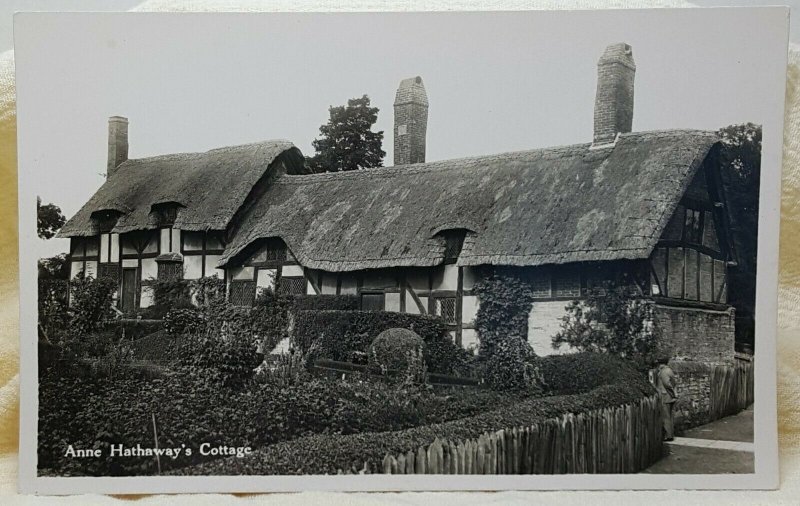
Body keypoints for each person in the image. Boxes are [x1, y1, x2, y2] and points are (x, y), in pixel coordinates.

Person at [655, 356, 678, 441]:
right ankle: (670, 434)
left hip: (666, 396)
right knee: (670, 416)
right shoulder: (670, 370)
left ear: (662, 364)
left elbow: (667, 384)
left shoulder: (663, 372)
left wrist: (672, 393)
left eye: (659, 363)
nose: (658, 365)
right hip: (670, 397)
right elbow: (674, 382)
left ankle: (668, 436)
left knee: (666, 417)